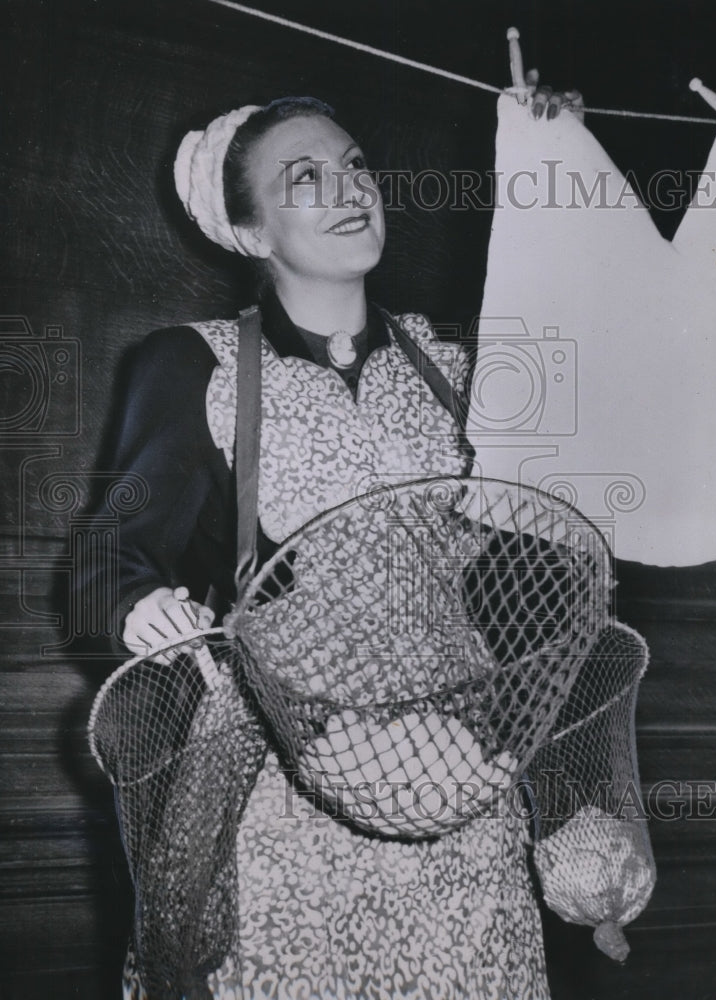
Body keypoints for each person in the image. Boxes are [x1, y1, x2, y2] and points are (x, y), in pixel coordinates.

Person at [97, 82, 581, 1000]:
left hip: (461, 785)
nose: (349, 188)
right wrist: (140, 605)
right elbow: (102, 565)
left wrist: (554, 164)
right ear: (249, 231)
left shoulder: (461, 369)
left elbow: (536, 570)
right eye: (305, 178)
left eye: (356, 166)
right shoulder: (190, 363)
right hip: (286, 790)